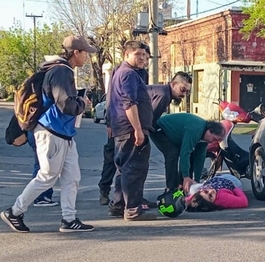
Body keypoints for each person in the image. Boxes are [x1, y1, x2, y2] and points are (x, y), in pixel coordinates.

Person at [0, 35, 97, 233]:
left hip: (61, 133)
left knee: (72, 177)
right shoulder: (61, 71)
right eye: (85, 52)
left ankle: (69, 220)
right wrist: (82, 104)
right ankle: (15, 212)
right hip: (51, 132)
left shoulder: (58, 69)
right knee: (46, 176)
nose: (87, 57)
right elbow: (66, 105)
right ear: (76, 53)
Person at [107, 40, 157, 221]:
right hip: (130, 129)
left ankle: (119, 205)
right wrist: (138, 129)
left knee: (124, 168)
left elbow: (111, 101)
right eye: (138, 54)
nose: (143, 58)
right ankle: (133, 209)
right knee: (135, 168)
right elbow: (129, 102)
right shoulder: (128, 74)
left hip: (121, 128)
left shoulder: (121, 72)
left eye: (145, 55)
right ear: (126, 55)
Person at [151, 113, 226, 194]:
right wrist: (186, 177)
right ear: (209, 131)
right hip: (160, 129)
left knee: (192, 155)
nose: (212, 141)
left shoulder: (204, 140)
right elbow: (185, 153)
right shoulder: (195, 130)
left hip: (176, 135)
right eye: (214, 138)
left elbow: (199, 159)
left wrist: (197, 181)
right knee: (172, 154)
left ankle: (183, 185)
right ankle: (171, 188)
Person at [27, 131, 58, 207]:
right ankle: (40, 197)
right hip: (40, 133)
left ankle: (41, 195)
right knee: (43, 166)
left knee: (41, 165)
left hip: (34, 133)